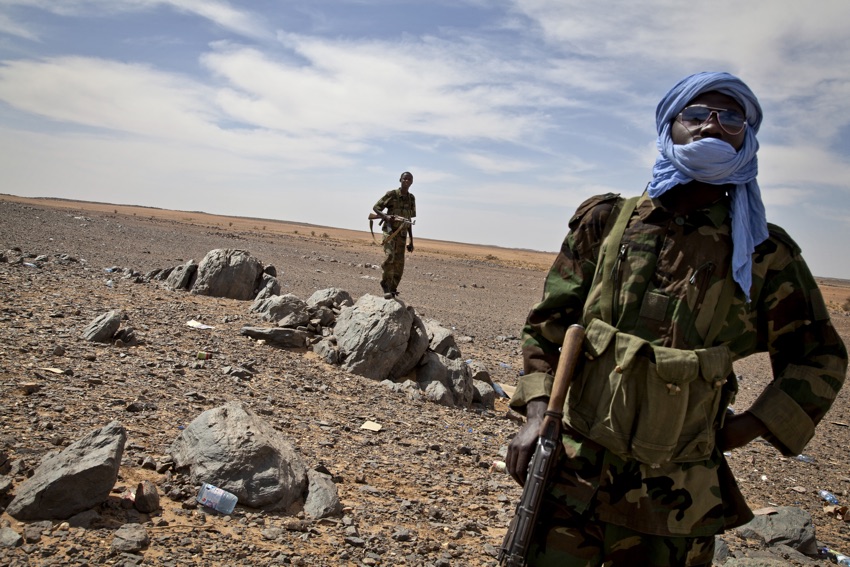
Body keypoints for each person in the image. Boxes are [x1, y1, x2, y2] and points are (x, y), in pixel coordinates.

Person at [505, 72, 848, 566]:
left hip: (677, 507)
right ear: (671, 126)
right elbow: (548, 326)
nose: (712, 124)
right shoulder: (606, 222)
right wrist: (536, 415)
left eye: (730, 118)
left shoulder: (764, 254)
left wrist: (746, 427)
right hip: (571, 479)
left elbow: (819, 358)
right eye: (696, 114)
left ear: (746, 139)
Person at [373, 171, 416, 299]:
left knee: (399, 263)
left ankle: (393, 288)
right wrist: (385, 216)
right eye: (404, 179)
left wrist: (411, 241)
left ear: (412, 182)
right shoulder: (392, 194)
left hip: (402, 234)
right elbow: (376, 207)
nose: (406, 181)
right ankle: (385, 284)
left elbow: (408, 221)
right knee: (389, 257)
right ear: (400, 180)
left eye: (409, 179)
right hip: (390, 231)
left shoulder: (411, 198)